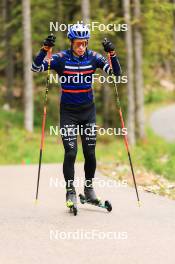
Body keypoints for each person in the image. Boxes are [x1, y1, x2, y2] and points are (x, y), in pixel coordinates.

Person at [31, 23, 121, 209]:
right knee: (71, 152)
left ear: (87, 43)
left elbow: (116, 73)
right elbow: (35, 68)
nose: (81, 47)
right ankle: (70, 191)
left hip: (88, 112)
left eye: (84, 43)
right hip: (69, 113)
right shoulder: (61, 58)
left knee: (90, 153)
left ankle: (88, 191)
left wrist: (112, 54)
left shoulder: (94, 57)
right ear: (71, 42)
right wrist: (44, 49)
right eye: (78, 43)